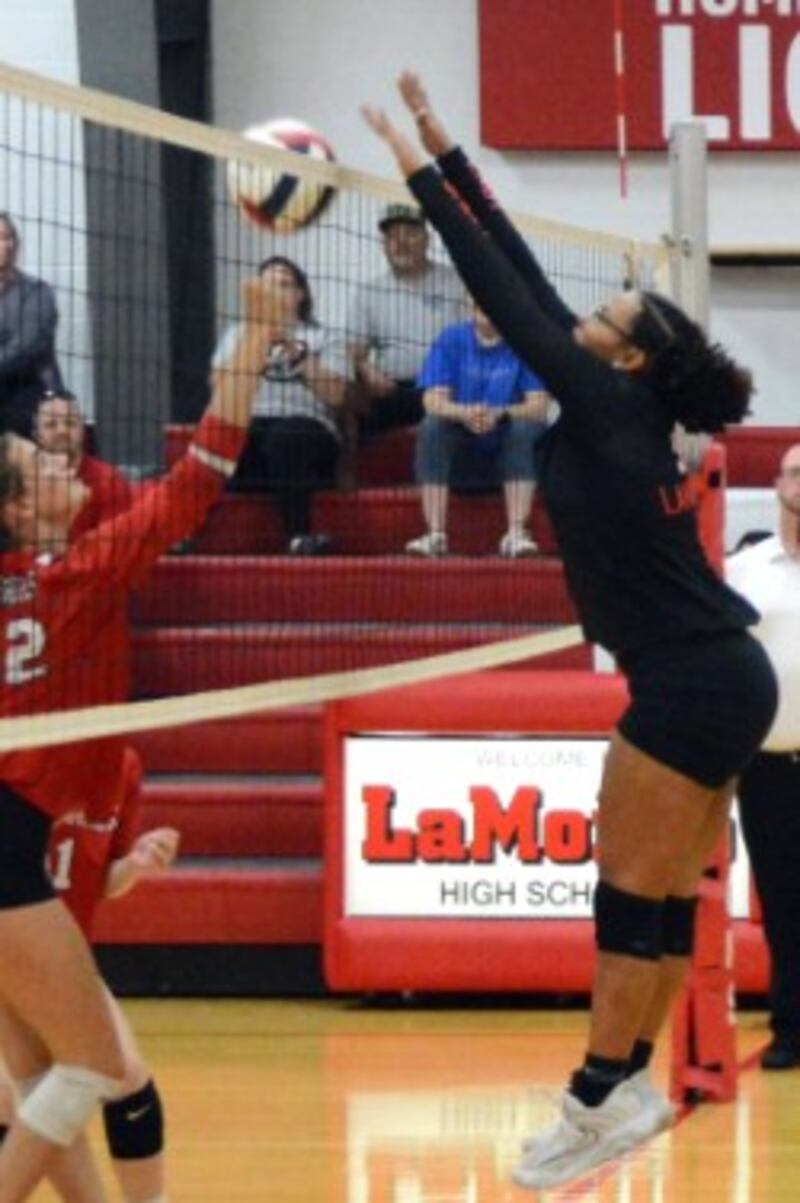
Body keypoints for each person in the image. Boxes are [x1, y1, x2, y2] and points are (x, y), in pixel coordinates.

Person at [362, 73, 778, 1191]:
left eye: (607, 321)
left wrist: (410, 170)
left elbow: (500, 278)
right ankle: (617, 1089)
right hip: (711, 676)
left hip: (693, 681)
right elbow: (533, 280)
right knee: (640, 892)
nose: (583, 321)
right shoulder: (621, 405)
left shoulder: (601, 403)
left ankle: (600, 1092)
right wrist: (447, 145)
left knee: (622, 891)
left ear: (628, 357)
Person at [0, 274, 271, 1202]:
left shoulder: (36, 574)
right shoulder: (80, 573)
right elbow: (201, 474)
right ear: (18, 510)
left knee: (43, 1074)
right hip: (13, 833)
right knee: (86, 1067)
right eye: (45, 470)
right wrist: (257, 342)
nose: (65, 468)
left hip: (24, 831)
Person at [0, 749, 178, 1203]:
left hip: (58, 955)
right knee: (32, 1088)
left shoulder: (120, 765)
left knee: (121, 1076)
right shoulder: (22, 758)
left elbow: (98, 879)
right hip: (17, 939)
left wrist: (137, 863)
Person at [726, 443, 800, 1070]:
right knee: (781, 900)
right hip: (769, 766)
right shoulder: (745, 569)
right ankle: (791, 1030)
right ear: (778, 483)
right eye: (797, 472)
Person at [213, 256, 348, 555]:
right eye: (268, 285)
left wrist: (294, 352)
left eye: (285, 284)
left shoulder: (324, 336)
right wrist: (256, 341)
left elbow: (337, 395)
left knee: (287, 437)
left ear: (301, 294)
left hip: (309, 436)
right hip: (253, 432)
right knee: (220, 437)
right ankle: (182, 532)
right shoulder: (238, 334)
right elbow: (219, 389)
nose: (276, 291)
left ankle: (299, 536)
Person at [407, 304, 549, 557]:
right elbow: (432, 400)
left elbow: (539, 405)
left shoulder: (525, 342)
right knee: (432, 425)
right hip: (459, 461)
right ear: (467, 306)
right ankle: (435, 534)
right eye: (477, 299)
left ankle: (516, 534)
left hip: (509, 458)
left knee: (527, 427)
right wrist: (465, 413)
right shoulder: (451, 338)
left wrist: (500, 413)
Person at [348, 202, 465, 433]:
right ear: (383, 245)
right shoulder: (370, 291)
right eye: (392, 236)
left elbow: (478, 338)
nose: (401, 243)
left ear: (427, 239)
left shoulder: (456, 282)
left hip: (447, 387)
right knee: (351, 397)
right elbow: (355, 351)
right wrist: (366, 370)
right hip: (392, 390)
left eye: (410, 233)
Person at [32, 389, 134, 536]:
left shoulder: (110, 481)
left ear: (83, 430)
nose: (62, 431)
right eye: (51, 424)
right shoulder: (23, 482)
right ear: (37, 435)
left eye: (70, 423)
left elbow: (112, 551)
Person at [0, 213, 63, 435]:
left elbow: (26, 348)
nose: (6, 245)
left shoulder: (37, 292)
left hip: (31, 393)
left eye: (9, 238)